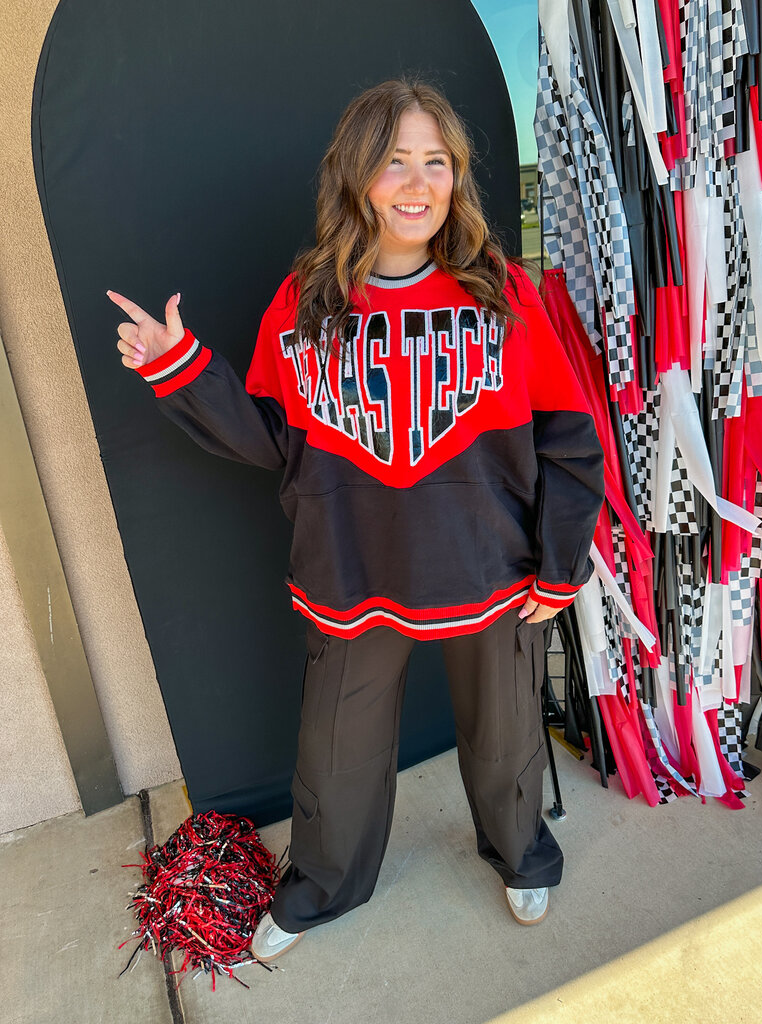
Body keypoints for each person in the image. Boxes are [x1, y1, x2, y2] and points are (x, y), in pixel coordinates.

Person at [108, 78, 604, 963]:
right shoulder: (306, 300)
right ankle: (324, 884)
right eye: (393, 162)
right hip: (351, 571)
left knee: (505, 738)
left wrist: (560, 563)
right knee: (336, 753)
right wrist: (180, 365)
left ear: (456, 178)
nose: (417, 184)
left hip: (489, 568)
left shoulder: (501, 294)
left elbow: (570, 433)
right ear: (356, 177)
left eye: (436, 162)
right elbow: (276, 439)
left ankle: (523, 853)